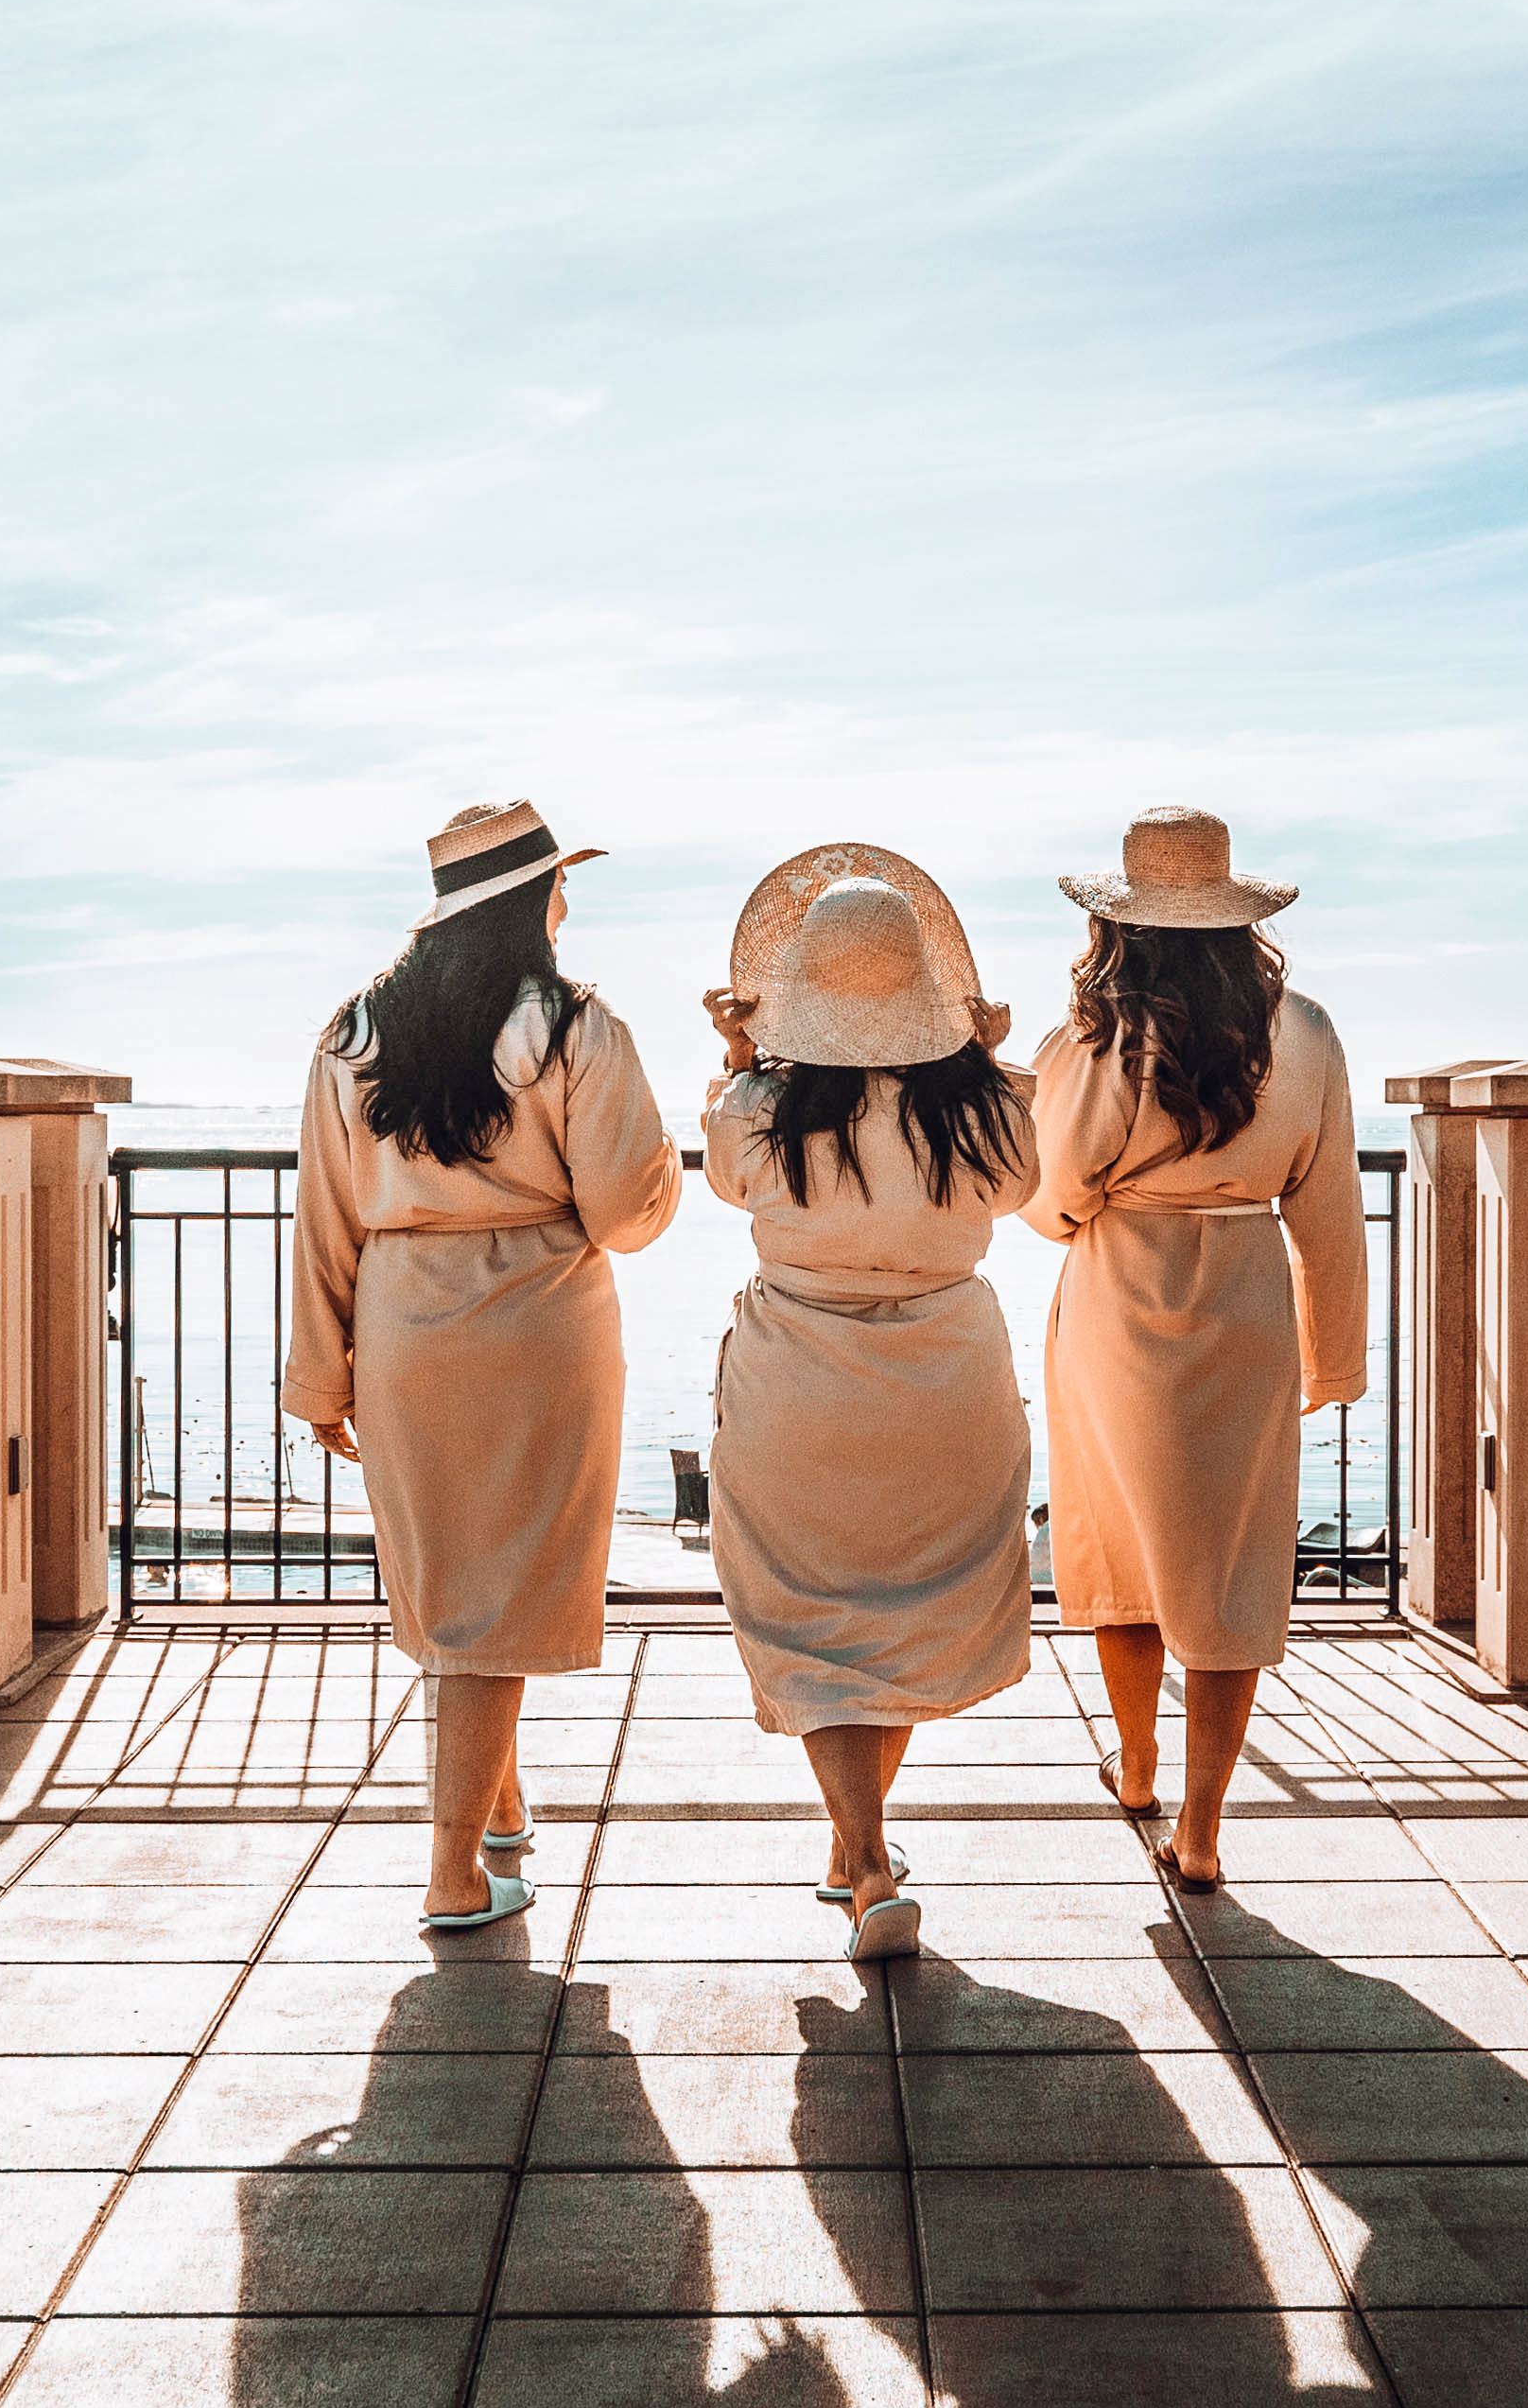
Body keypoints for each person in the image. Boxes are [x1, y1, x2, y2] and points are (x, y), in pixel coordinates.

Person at [291, 798, 680, 1930]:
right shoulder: (573, 1026)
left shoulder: (354, 1030)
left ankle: (501, 1825)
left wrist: (322, 1372)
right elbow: (624, 1213)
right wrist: (654, 1163)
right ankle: (454, 1873)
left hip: (406, 1324)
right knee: (490, 1603)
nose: (568, 899)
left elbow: (325, 1216)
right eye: (560, 882)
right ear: (530, 900)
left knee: (457, 1589)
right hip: (539, 1326)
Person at [690, 846, 1034, 1963]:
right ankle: (861, 1846)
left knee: (815, 1615)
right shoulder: (980, 1111)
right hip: (947, 1377)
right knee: (903, 1611)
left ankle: (865, 1851)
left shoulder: (762, 1106)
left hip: (800, 1375)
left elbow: (726, 1174)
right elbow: (1028, 1185)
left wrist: (742, 1052)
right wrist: (984, 1054)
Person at [1019, 806, 1361, 1902]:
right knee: (1230, 1563)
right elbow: (1331, 1205)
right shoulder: (1302, 1028)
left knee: (1122, 1549)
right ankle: (1204, 1826)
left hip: (1119, 1296)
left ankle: (1140, 1768)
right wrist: (1332, 1357)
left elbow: (1051, 1198)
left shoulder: (1090, 1041)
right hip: (1249, 1294)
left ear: (1121, 923)